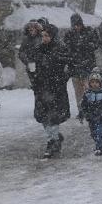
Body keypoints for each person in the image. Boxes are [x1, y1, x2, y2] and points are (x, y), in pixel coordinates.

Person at [25, 24, 72, 158]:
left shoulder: (60, 49)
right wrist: (34, 79)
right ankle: (55, 137)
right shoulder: (38, 50)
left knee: (53, 117)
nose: (44, 38)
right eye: (43, 35)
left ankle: (52, 142)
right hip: (41, 88)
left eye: (47, 36)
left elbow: (69, 66)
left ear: (52, 36)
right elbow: (31, 66)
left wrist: (61, 79)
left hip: (56, 89)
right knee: (43, 117)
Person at [63, 13, 100, 116]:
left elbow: (96, 44)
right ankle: (82, 110)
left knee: (89, 88)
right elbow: (66, 49)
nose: (76, 27)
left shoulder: (89, 31)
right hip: (75, 67)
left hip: (87, 65)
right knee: (78, 91)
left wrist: (88, 45)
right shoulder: (69, 34)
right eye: (74, 25)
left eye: (78, 25)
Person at [79, 69, 102, 156]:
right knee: (93, 132)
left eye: (96, 82)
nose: (94, 84)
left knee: (100, 131)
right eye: (92, 82)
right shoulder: (87, 94)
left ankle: (98, 146)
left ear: (100, 83)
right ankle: (97, 141)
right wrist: (82, 115)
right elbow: (83, 106)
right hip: (91, 117)